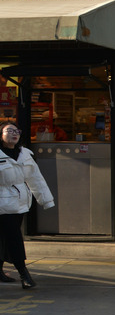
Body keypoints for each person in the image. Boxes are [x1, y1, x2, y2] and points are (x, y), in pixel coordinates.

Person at [0, 121, 55, 288]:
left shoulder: (25, 154)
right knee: (14, 239)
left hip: (20, 203)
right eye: (9, 131)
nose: (14, 134)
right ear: (1, 135)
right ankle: (24, 274)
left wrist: (46, 200)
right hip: (2, 204)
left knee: (4, 239)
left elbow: (35, 179)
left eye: (16, 130)